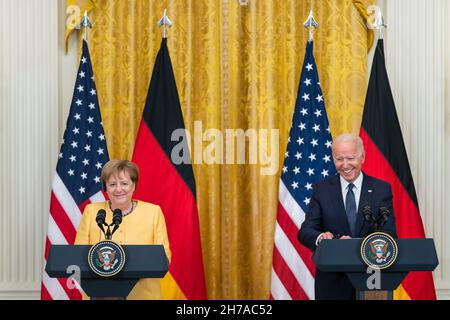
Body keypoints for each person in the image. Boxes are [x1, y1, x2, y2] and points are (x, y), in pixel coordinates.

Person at [298, 133, 397, 300]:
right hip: (332, 282)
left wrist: (356, 245)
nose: (345, 165)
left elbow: (388, 234)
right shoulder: (322, 190)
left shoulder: (381, 190)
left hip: (371, 279)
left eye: (350, 158)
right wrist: (321, 237)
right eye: (339, 159)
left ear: (362, 157)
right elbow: (305, 231)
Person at [75, 159, 171, 300]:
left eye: (124, 183)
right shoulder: (91, 212)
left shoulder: (153, 212)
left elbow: (164, 257)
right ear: (105, 187)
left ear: (134, 186)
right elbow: (79, 255)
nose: (118, 189)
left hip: (142, 295)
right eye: (112, 184)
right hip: (98, 295)